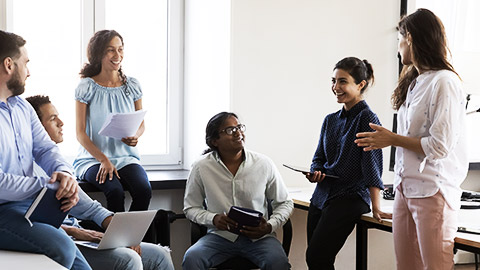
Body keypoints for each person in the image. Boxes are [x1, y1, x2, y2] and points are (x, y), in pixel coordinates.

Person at [355, 9, 468, 270]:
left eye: (400, 39)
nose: (398, 47)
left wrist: (391, 139)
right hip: (405, 189)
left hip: (433, 191)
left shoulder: (445, 82)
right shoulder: (415, 82)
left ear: (412, 39)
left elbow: (439, 146)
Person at [26, 94, 175, 270]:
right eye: (53, 118)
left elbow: (92, 209)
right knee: (129, 259)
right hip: (58, 242)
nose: (61, 122)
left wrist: (125, 236)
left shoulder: (60, 168)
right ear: (35, 127)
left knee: (160, 254)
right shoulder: (25, 170)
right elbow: (27, 223)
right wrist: (78, 232)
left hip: (79, 237)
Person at [0, 30, 90, 269]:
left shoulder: (23, 108)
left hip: (28, 208)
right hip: (2, 211)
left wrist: (66, 175)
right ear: (9, 65)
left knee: (82, 266)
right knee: (61, 248)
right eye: (25, 63)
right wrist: (48, 185)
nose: (28, 71)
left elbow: (46, 149)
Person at [305, 57, 391, 269]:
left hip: (350, 196)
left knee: (316, 257)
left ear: (360, 84)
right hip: (322, 195)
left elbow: (372, 165)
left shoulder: (367, 118)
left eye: (342, 81)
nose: (336, 87)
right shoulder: (330, 120)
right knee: (316, 260)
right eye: (333, 81)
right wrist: (315, 172)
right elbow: (319, 158)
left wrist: (376, 206)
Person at [183, 112, 293, 270]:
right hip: (219, 237)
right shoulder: (201, 167)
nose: (238, 133)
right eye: (229, 130)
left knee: (278, 263)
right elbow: (190, 208)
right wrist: (213, 219)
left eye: (239, 127)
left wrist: (269, 226)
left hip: (259, 238)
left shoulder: (263, 164)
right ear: (214, 141)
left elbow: (285, 202)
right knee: (192, 259)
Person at [74, 30, 151, 212]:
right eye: (111, 50)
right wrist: (103, 159)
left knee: (144, 190)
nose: (118, 55)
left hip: (126, 157)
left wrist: (136, 136)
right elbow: (80, 133)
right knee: (115, 192)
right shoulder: (86, 86)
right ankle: (115, 240)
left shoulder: (132, 85)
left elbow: (141, 123)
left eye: (120, 49)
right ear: (98, 53)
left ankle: (132, 239)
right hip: (92, 160)